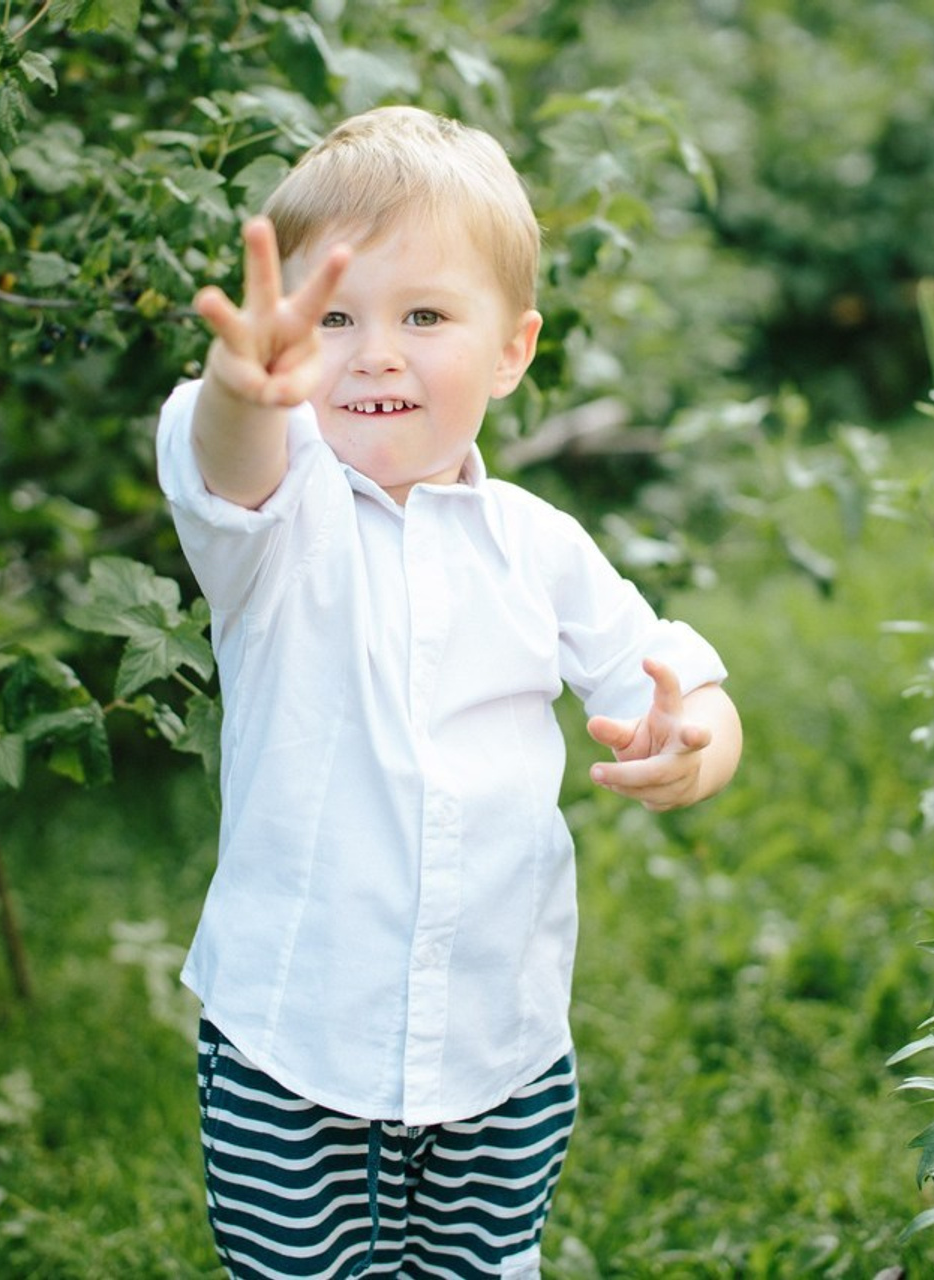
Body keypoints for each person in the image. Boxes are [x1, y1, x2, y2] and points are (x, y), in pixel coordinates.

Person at [156, 104, 742, 1280]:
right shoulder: (281, 524)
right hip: (294, 1045)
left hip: (498, 1044)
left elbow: (673, 672)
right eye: (332, 320)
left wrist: (695, 740)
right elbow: (220, 456)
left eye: (422, 315)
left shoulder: (538, 546)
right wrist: (241, 387)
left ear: (513, 349)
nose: (373, 351)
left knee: (484, 1265)